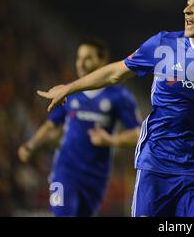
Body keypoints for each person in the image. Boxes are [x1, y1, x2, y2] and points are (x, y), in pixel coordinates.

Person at [37, 0, 194, 217]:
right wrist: (70, 88)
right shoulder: (163, 44)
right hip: (156, 166)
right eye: (187, 5)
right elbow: (116, 72)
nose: (187, 11)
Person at [19, 39, 141, 216]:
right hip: (64, 171)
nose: (81, 63)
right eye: (78, 58)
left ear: (103, 60)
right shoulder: (70, 92)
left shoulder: (120, 97)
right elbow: (52, 125)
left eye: (88, 58)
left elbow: (138, 134)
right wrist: (31, 145)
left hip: (96, 177)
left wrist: (112, 140)